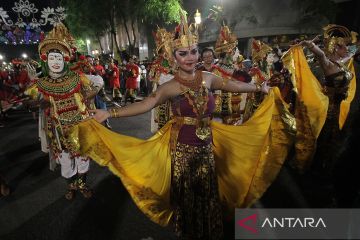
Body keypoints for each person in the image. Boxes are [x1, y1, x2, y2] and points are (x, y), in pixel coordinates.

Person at [71, 12, 295, 240]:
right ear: (173, 56)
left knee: (208, 193)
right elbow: (147, 103)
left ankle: (207, 231)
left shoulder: (207, 77)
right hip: (183, 150)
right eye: (183, 53)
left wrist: (260, 88)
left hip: (207, 146)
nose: (190, 57)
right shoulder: (170, 86)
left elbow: (233, 85)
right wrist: (110, 112)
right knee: (189, 195)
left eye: (193, 51)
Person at [25, 23, 98, 200]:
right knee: (66, 160)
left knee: (82, 157)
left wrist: (88, 96)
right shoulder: (40, 83)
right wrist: (38, 103)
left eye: (59, 58)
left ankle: (82, 185)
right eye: (52, 58)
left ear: (65, 58)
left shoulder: (77, 77)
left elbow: (96, 85)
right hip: (59, 129)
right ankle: (71, 186)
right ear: (45, 60)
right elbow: (32, 102)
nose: (56, 62)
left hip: (79, 125)